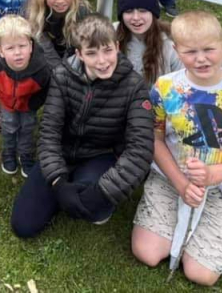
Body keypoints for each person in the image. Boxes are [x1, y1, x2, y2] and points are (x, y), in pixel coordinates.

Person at [132, 11, 222, 286]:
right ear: (176, 50)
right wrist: (180, 184)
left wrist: (214, 175)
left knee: (200, 274)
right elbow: (154, 138)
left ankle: (219, 224)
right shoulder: (165, 87)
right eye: (190, 52)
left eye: (209, 49)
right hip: (170, 179)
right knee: (148, 254)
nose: (200, 59)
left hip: (220, 187)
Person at [10, 14, 155, 237]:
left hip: (101, 155)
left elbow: (141, 149)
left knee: (94, 207)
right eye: (91, 53)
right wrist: (58, 182)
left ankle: (87, 190)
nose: (102, 61)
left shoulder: (134, 86)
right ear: (79, 54)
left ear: (117, 47)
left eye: (107, 50)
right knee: (24, 226)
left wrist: (102, 191)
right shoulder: (61, 76)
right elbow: (49, 132)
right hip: (63, 152)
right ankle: (64, 190)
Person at [0, 15, 50, 177]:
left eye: (22, 46)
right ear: (1, 51)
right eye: (10, 48)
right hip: (6, 104)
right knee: (9, 128)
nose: (17, 53)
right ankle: (8, 154)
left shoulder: (42, 69)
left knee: (28, 129)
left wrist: (33, 104)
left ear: (31, 46)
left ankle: (26, 156)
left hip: (28, 106)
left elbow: (47, 90)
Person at [115, 0, 182, 87]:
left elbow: (182, 82)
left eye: (143, 11)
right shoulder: (110, 34)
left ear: (153, 13)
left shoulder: (170, 43)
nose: (136, 17)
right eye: (129, 11)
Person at [27, 0, 90, 69]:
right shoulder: (35, 12)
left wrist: (66, 73)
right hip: (47, 62)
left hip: (74, 61)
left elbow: (82, 49)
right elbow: (44, 48)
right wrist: (59, 72)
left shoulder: (81, 12)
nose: (60, 0)